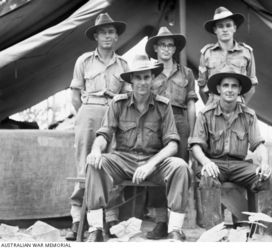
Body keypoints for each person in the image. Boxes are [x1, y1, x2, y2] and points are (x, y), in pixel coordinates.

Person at [84, 54, 191, 242]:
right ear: (131, 81)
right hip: (123, 160)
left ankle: (175, 229)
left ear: (152, 79)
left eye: (147, 77)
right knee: (94, 165)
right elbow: (104, 134)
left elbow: (173, 144)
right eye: (138, 77)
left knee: (180, 166)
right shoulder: (118, 103)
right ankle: (96, 229)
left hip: (154, 162)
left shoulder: (163, 106)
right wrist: (96, 151)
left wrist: (150, 165)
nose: (142, 82)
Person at [190, 71, 272, 239]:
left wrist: (264, 163)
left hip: (239, 165)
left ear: (239, 91)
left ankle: (265, 235)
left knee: (266, 180)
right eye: (226, 85)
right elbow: (196, 146)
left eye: (234, 86)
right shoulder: (205, 114)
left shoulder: (248, 115)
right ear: (218, 89)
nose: (230, 90)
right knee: (208, 177)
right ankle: (215, 235)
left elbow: (259, 145)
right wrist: (206, 163)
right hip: (214, 163)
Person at [66, 13, 130, 241]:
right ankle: (77, 219)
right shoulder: (83, 61)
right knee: (84, 165)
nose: (107, 36)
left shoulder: (123, 64)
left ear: (116, 36)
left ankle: (110, 216)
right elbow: (75, 95)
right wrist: (85, 115)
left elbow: (127, 96)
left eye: (111, 32)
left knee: (111, 164)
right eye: (103, 32)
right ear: (95, 36)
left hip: (113, 115)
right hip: (89, 112)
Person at [144, 26, 197, 239]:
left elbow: (192, 105)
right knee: (157, 170)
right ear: (155, 48)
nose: (166, 48)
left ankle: (176, 226)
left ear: (174, 48)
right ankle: (160, 223)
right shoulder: (149, 72)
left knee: (180, 171)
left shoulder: (187, 73)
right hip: (155, 124)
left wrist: (193, 136)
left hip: (180, 121)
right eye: (162, 44)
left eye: (170, 45)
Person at [198, 6, 258, 105]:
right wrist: (209, 108)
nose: (225, 29)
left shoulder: (246, 52)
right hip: (213, 107)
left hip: (237, 107)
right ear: (215, 30)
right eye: (220, 26)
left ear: (234, 28)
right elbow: (201, 86)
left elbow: (252, 86)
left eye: (228, 25)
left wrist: (241, 107)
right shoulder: (206, 53)